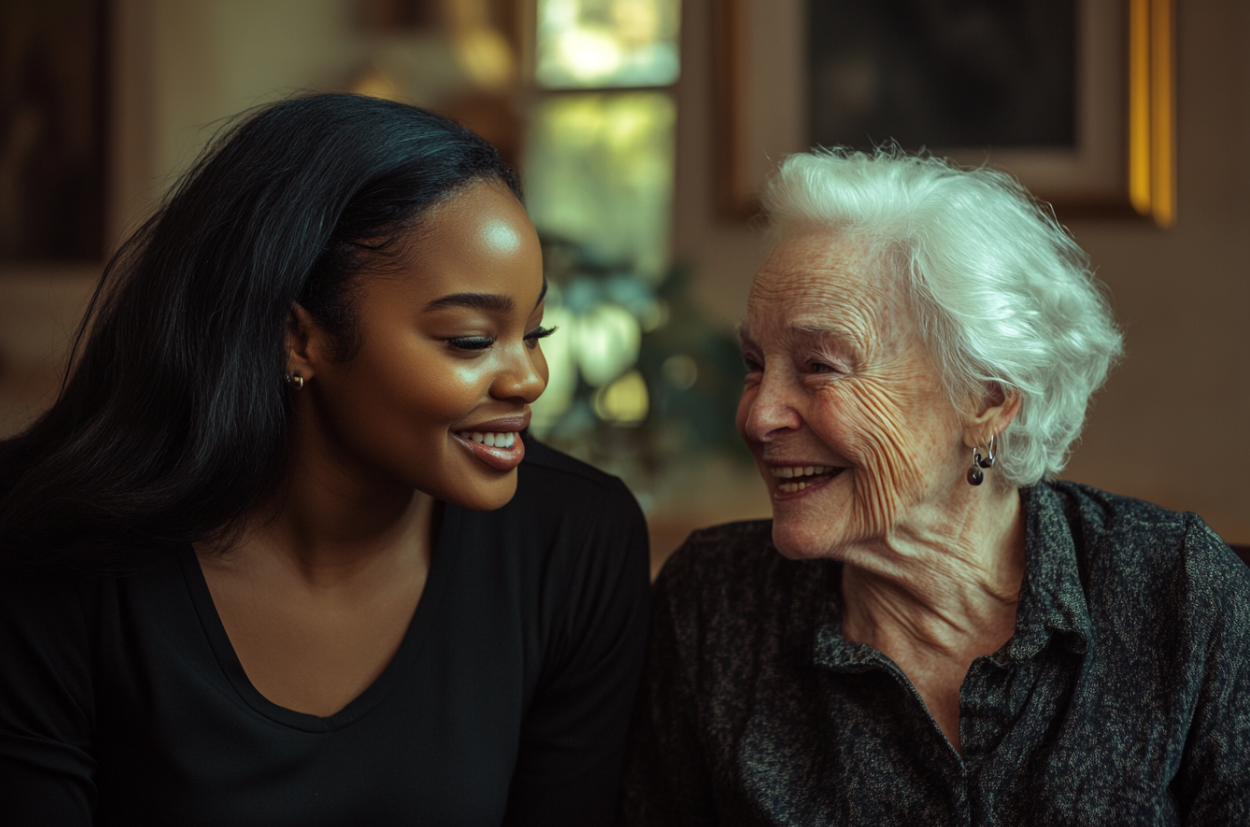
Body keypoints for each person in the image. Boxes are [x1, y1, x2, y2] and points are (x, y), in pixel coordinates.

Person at [0, 94, 650, 826]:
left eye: (535, 332)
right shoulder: (48, 543)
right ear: (298, 336)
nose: (530, 378)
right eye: (470, 339)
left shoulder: (578, 544)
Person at [619, 149, 1250, 825]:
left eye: (819, 366)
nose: (758, 413)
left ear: (986, 396)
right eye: (754, 363)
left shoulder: (1175, 589)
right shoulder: (712, 607)